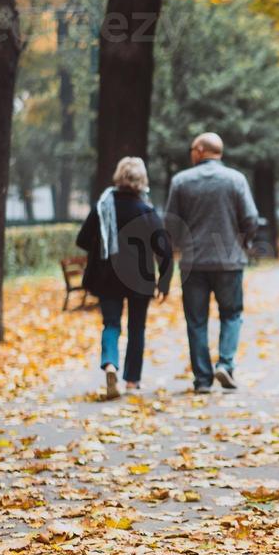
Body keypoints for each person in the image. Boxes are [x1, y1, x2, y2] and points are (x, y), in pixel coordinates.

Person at [165, 133, 258, 392]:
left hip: (193, 263)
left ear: (201, 150)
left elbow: (171, 223)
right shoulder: (236, 180)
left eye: (192, 148)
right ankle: (225, 365)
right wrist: (242, 242)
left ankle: (202, 380)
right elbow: (250, 217)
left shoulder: (181, 181)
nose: (190, 153)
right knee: (231, 314)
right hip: (229, 261)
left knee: (196, 321)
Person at [77, 157, 173, 399]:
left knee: (111, 324)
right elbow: (164, 249)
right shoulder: (147, 211)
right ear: (142, 180)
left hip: (108, 276)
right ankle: (132, 380)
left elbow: (82, 239)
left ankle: (110, 364)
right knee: (136, 327)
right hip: (140, 278)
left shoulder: (103, 207)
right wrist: (164, 282)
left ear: (119, 176)